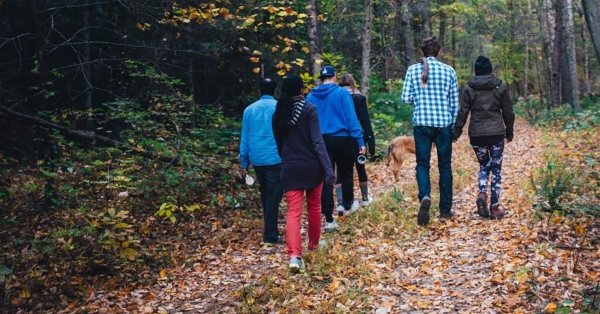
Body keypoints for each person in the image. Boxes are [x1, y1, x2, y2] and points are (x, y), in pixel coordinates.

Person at [272, 75, 335, 273]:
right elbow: (317, 142)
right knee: (314, 207)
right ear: (301, 90)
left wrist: (288, 159)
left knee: (293, 212)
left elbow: (279, 144)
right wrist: (328, 169)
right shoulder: (309, 109)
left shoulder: (278, 113)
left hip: (290, 167)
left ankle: (294, 256)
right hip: (312, 167)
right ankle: (314, 246)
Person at [401, 37, 459, 226]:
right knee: (445, 166)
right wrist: (452, 127)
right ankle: (445, 210)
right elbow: (454, 104)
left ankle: (425, 195)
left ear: (422, 52)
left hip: (422, 124)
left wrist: (420, 98)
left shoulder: (412, 70)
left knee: (422, 164)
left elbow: (406, 99)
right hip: (443, 124)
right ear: (439, 52)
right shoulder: (449, 71)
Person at [453, 55, 515, 219]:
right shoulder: (499, 86)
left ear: (476, 71)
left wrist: (456, 132)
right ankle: (494, 207)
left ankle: (482, 193)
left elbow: (463, 112)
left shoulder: (469, 88)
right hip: (496, 134)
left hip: (477, 134)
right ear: (490, 70)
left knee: (483, 165)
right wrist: (509, 131)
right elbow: (508, 111)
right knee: (496, 169)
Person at [306, 66, 366, 232]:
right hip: (341, 138)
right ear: (334, 77)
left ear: (321, 78)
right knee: (346, 172)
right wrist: (360, 140)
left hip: (320, 141)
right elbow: (351, 118)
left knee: (326, 177)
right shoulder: (341, 93)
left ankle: (328, 218)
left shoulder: (311, 95)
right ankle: (347, 205)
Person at [239, 78, 284, 247]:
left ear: (259, 91)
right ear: (275, 91)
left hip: (257, 158)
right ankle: (270, 235)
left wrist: (244, 164)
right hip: (276, 157)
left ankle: (270, 229)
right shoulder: (280, 107)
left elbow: (245, 138)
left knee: (266, 193)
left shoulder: (249, 110)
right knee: (273, 196)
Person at [336, 73, 376, 208]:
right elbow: (365, 121)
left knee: (341, 170)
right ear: (353, 83)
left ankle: (341, 202)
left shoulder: (336, 97)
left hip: (340, 137)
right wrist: (370, 141)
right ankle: (364, 198)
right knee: (360, 167)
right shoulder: (359, 98)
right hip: (357, 137)